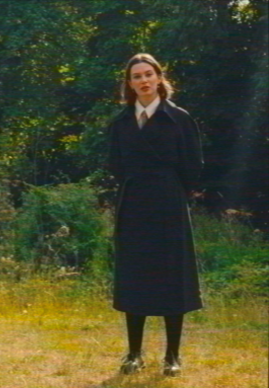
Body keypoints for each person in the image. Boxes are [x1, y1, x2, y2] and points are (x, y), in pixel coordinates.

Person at [106, 53, 203, 377]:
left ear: (159, 78)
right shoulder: (120, 122)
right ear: (129, 83)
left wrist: (174, 193)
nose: (144, 81)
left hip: (169, 204)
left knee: (172, 279)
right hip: (133, 203)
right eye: (137, 76)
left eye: (149, 74)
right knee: (135, 278)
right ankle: (134, 354)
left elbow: (193, 166)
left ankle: (172, 356)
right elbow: (116, 165)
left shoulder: (180, 119)